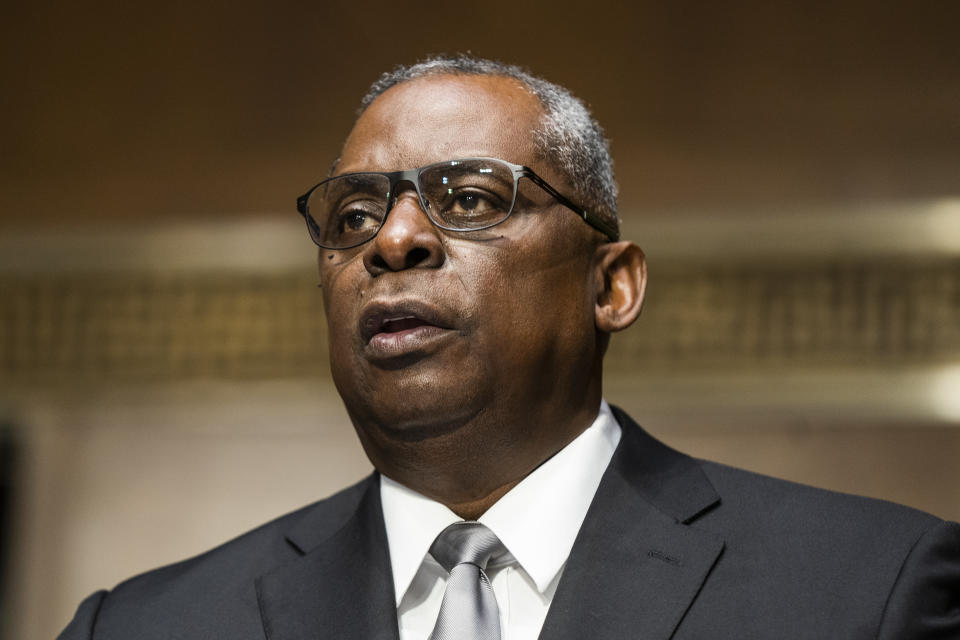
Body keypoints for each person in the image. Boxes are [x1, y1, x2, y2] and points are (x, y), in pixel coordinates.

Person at [59, 55, 959, 640]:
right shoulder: (144, 626)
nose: (393, 241)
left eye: (474, 199)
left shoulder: (869, 593)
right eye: (355, 214)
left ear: (611, 286)